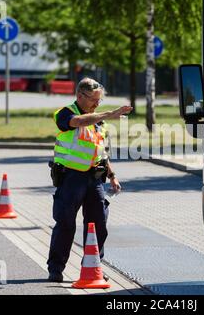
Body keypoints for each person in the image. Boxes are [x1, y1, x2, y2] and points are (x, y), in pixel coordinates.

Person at [47, 77, 132, 282]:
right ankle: (56, 268)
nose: (96, 104)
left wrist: (112, 176)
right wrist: (110, 114)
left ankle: (93, 266)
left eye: (99, 101)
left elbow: (101, 152)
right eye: (94, 100)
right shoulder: (66, 113)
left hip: (94, 179)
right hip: (71, 178)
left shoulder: (98, 121)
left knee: (98, 224)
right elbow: (76, 123)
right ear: (79, 96)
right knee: (66, 224)